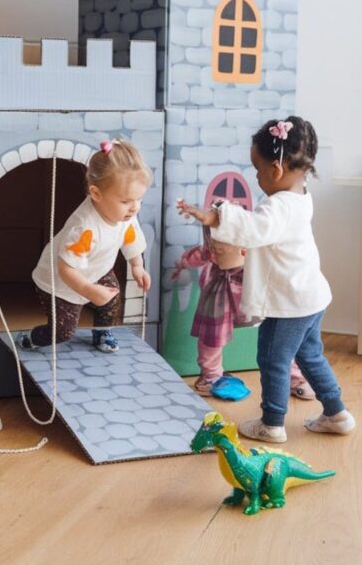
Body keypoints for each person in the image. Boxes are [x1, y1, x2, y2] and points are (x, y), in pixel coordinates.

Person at [177, 115, 355, 443]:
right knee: (310, 354)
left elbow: (255, 229)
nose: (257, 177)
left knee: (272, 358)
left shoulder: (278, 206)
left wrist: (215, 215)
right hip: (311, 297)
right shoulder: (302, 197)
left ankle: (272, 423)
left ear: (276, 169)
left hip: (290, 304)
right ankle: (336, 412)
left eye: (258, 169)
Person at [19, 138, 152, 353]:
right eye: (126, 201)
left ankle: (102, 331)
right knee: (63, 332)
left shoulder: (126, 215)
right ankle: (32, 338)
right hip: (60, 281)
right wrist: (88, 290)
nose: (135, 208)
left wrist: (137, 266)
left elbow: (131, 238)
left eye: (139, 199)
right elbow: (66, 269)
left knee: (111, 299)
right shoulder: (84, 228)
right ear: (96, 194)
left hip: (97, 269)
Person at [173, 230, 315, 399]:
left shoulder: (257, 248)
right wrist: (182, 264)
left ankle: (294, 377)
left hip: (247, 297)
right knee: (213, 338)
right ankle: (211, 377)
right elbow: (195, 256)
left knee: (278, 337)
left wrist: (181, 264)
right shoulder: (216, 248)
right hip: (227, 297)